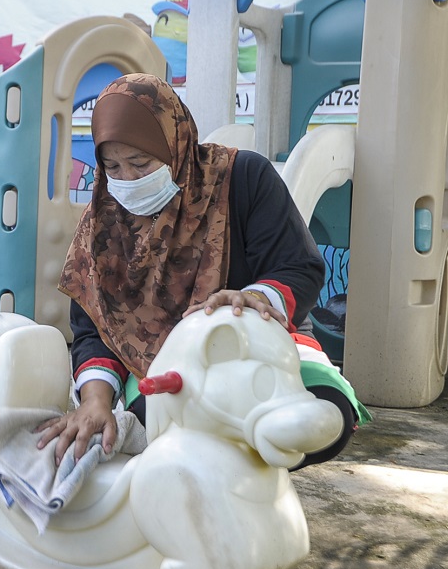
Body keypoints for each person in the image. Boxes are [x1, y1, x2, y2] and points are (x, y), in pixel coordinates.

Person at [37, 72, 369, 470]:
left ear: (174, 144)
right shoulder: (103, 223)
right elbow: (93, 329)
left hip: (253, 342)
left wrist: (257, 297)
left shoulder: (242, 178)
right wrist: (94, 401)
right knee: (163, 429)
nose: (127, 180)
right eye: (113, 167)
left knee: (324, 414)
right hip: (157, 361)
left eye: (141, 164)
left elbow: (297, 266)